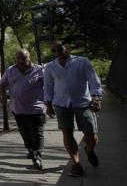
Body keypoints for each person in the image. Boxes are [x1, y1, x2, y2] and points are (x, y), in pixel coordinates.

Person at [44, 41, 103, 177]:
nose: (57, 53)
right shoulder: (50, 67)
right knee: (67, 134)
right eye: (53, 51)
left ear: (68, 48)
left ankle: (89, 150)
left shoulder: (82, 62)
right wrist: (48, 104)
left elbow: (94, 80)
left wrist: (96, 98)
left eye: (59, 49)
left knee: (92, 136)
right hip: (61, 104)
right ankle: (76, 164)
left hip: (83, 103)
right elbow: (47, 86)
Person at [0, 49, 46, 170]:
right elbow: (2, 84)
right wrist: (1, 94)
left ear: (29, 58)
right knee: (25, 133)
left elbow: (49, 85)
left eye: (23, 58)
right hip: (18, 109)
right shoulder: (10, 70)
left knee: (38, 132)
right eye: (18, 58)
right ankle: (31, 149)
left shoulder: (40, 70)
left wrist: (50, 102)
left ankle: (37, 156)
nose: (20, 61)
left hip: (37, 108)